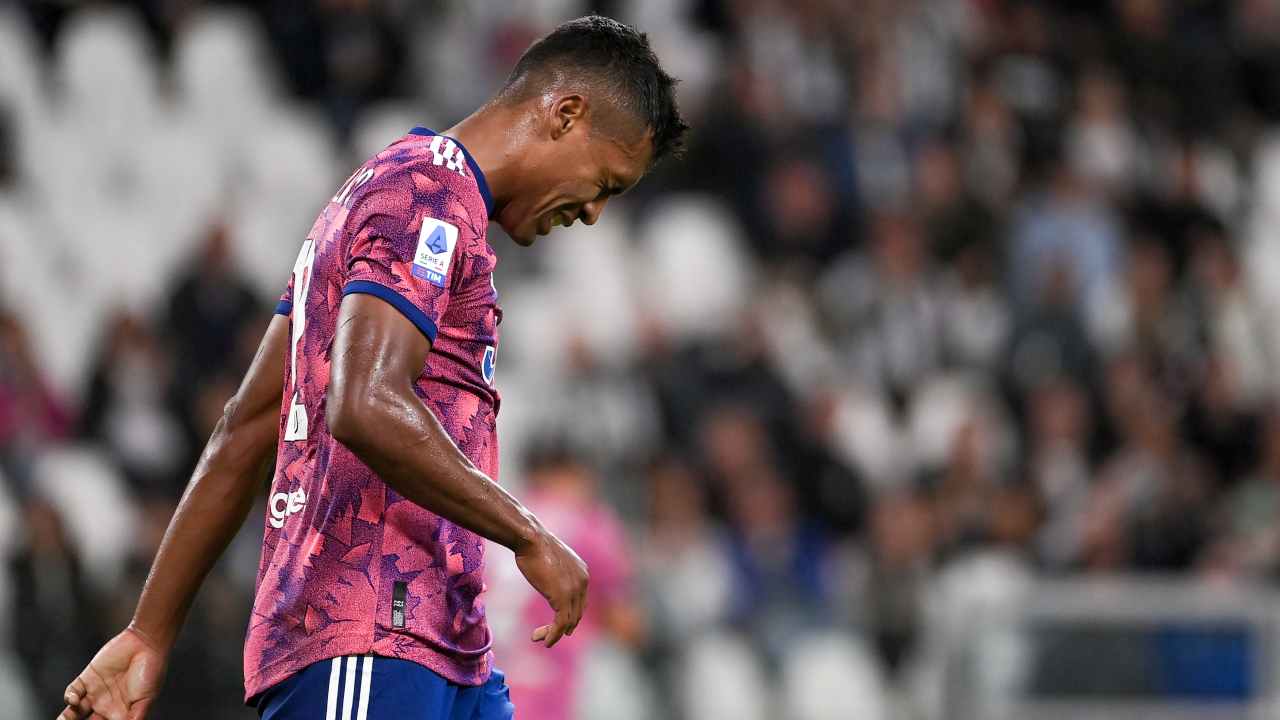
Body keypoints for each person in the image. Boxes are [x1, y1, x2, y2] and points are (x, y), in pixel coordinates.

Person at [58, 15, 687, 720]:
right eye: (604, 182)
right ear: (565, 113)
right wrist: (527, 532)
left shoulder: (410, 197)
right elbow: (363, 402)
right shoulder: (426, 193)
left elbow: (249, 425)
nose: (594, 212)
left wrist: (149, 633)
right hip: (368, 635)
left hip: (444, 644)